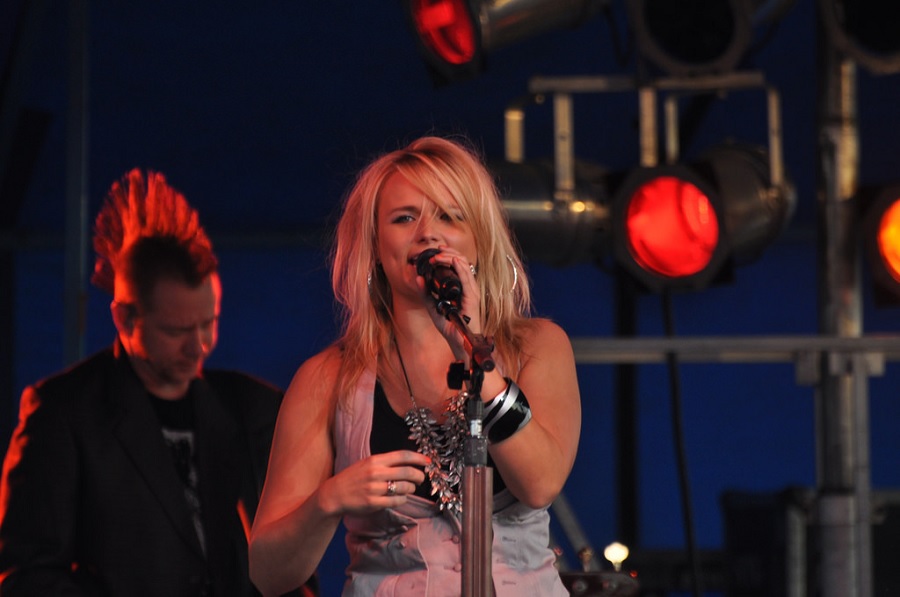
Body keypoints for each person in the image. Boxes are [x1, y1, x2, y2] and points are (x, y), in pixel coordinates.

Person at [249, 135, 582, 596]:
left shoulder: (538, 347)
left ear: (480, 240)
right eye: (405, 218)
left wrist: (474, 353)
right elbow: (267, 573)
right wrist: (329, 500)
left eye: (450, 216)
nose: (428, 233)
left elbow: (540, 484)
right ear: (375, 244)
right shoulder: (328, 378)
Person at [0, 169, 317, 596]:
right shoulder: (62, 413)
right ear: (124, 318)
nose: (199, 346)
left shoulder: (255, 408)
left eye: (209, 323)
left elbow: (293, 568)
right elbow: (27, 578)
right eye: (176, 330)